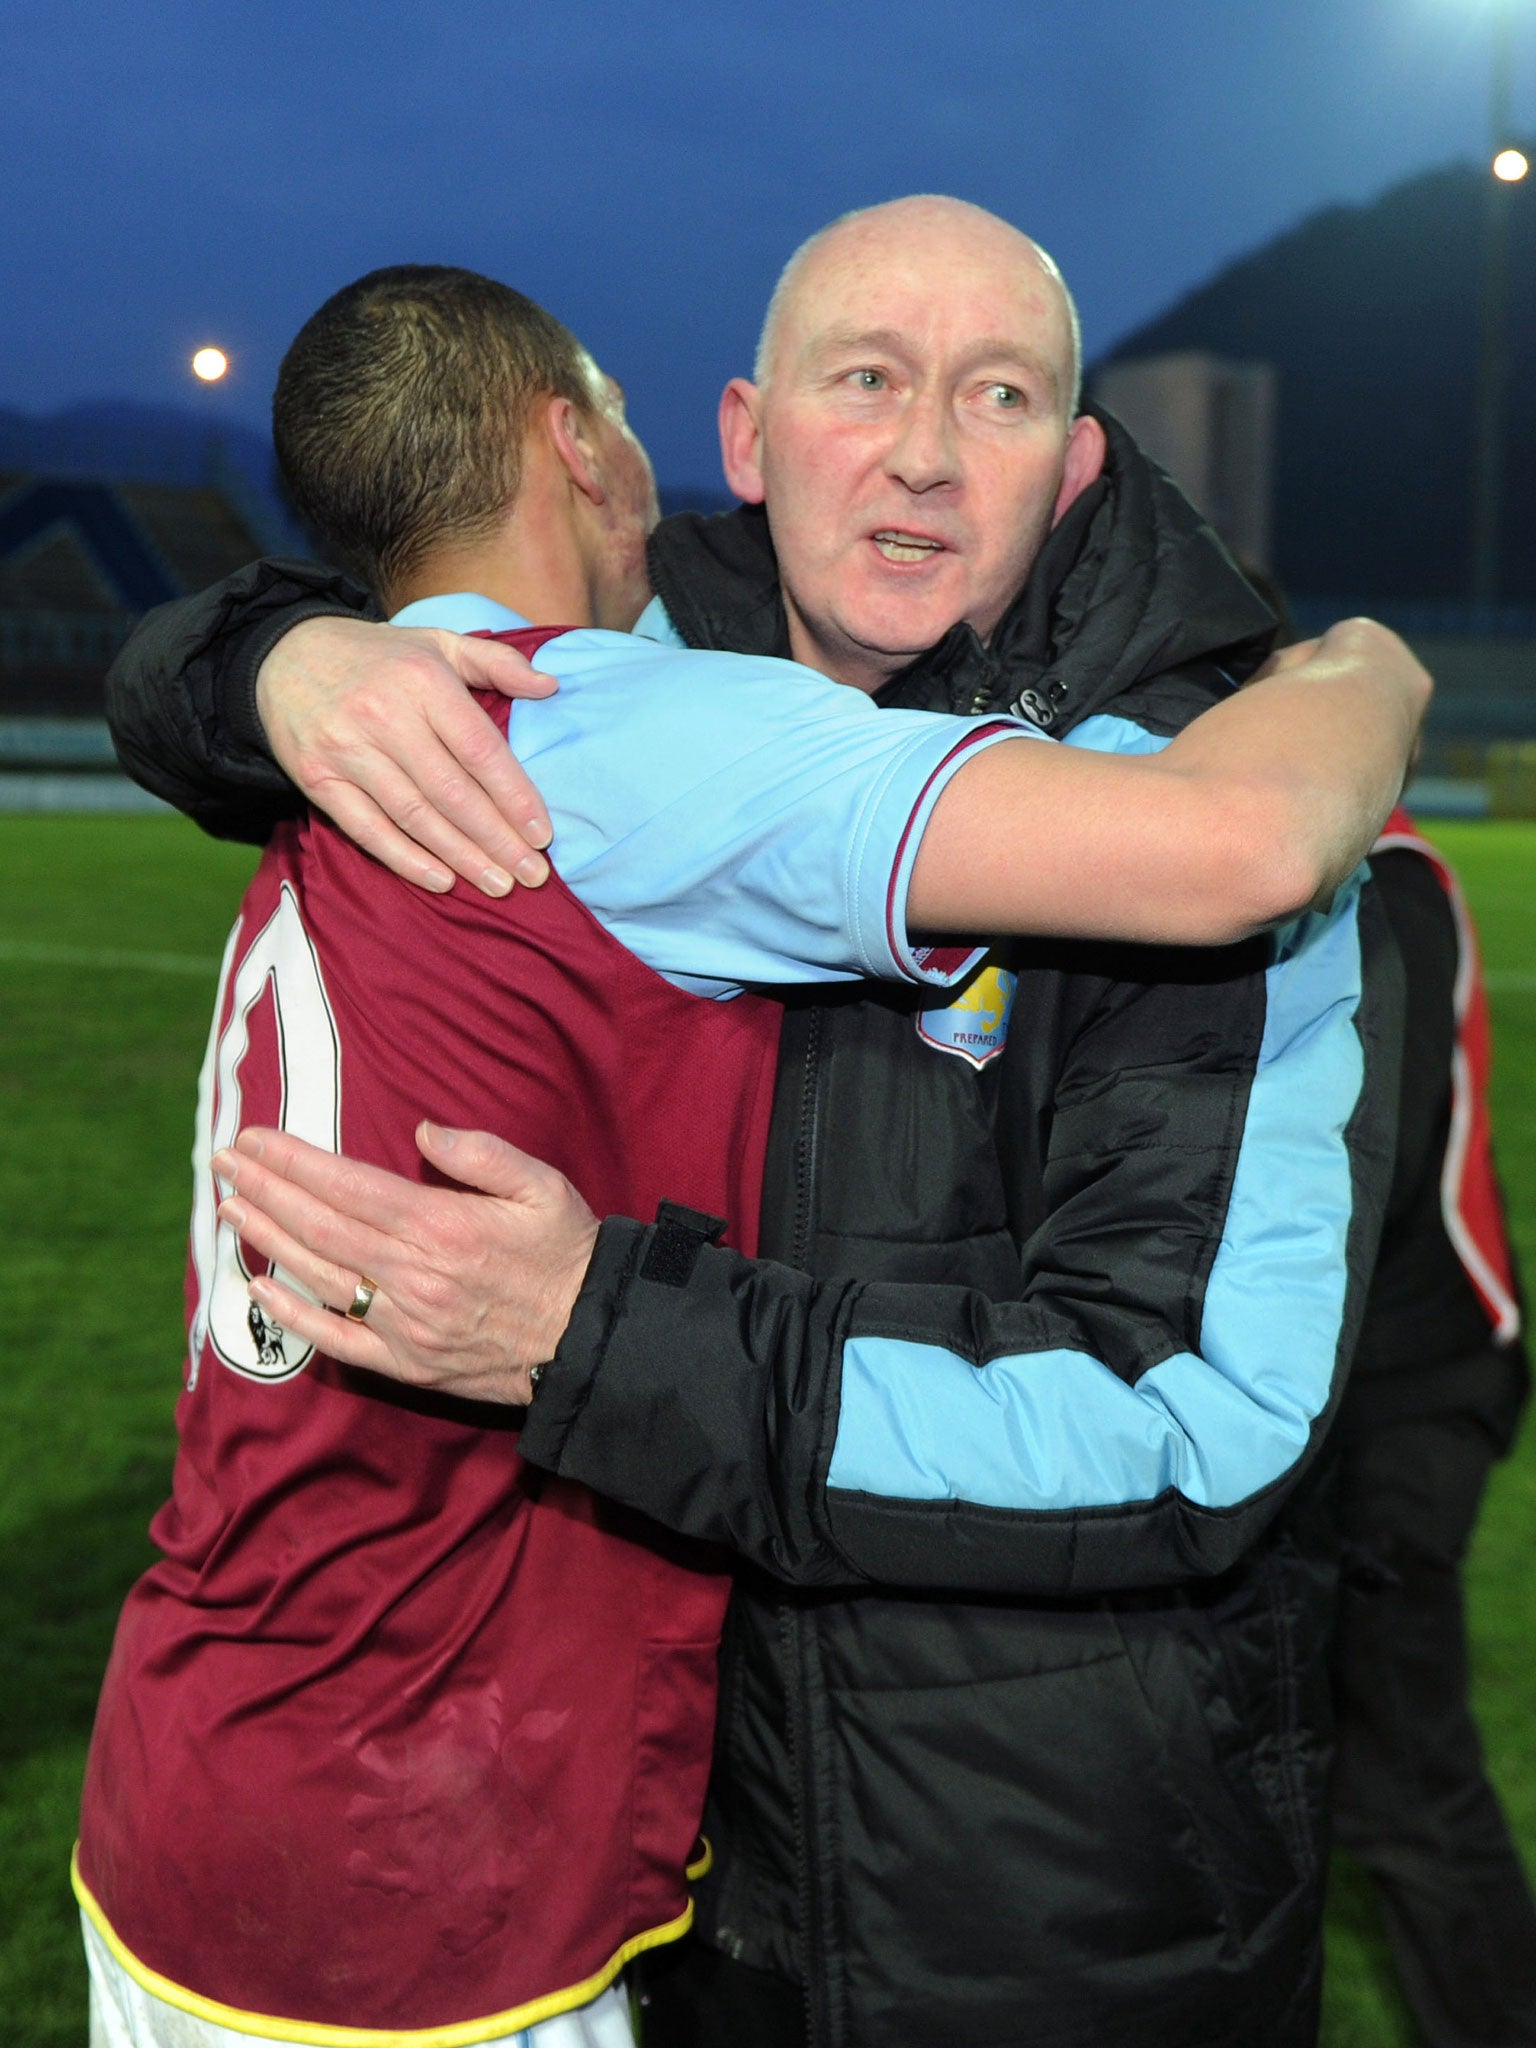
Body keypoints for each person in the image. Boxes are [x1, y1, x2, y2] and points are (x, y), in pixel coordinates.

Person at [104, 202, 1418, 2048]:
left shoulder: (1221, 784)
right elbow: (238, 648)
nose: (923, 450)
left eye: (1002, 394)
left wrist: (601, 1337)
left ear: (1079, 459)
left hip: (1051, 1916)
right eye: (864, 380)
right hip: (691, 1883)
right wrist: (277, 658)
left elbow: (1193, 1419)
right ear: (740, 432)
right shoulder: (620, 670)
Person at [1333, 805, 1535, 2048]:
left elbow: (1365, 1164)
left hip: (1404, 1386)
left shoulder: (1376, 870)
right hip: (1367, 1375)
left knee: (1401, 1777)